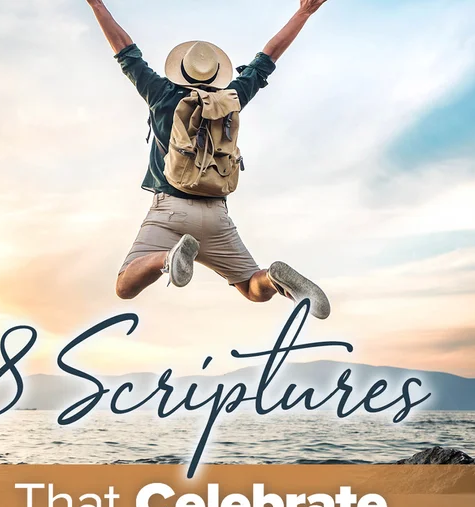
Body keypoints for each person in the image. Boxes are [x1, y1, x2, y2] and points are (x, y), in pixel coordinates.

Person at [87, 0, 331, 319]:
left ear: (181, 71)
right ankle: (272, 277)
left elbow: (125, 50)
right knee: (252, 288)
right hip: (217, 216)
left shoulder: (161, 94)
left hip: (169, 212)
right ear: (217, 75)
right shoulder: (233, 97)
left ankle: (167, 260)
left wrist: (95, 2)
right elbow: (268, 57)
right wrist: (303, 12)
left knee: (125, 285)